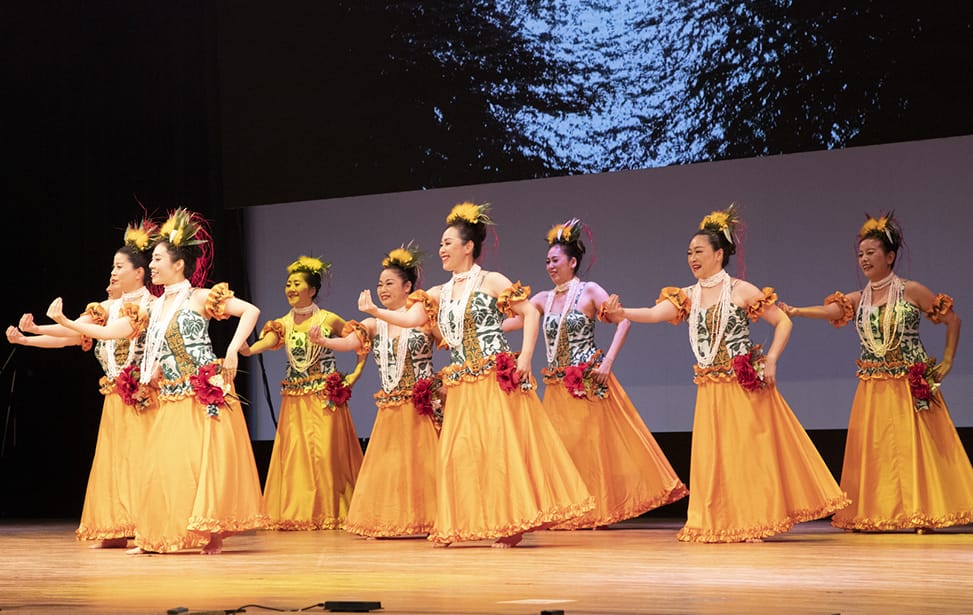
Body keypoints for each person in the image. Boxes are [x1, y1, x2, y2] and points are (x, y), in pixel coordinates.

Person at [603, 204, 848, 542]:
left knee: (747, 454)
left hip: (742, 386)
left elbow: (783, 322)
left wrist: (772, 359)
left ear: (719, 254)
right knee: (716, 457)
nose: (692, 258)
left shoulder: (740, 290)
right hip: (710, 387)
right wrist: (622, 313)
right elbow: (653, 313)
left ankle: (754, 520)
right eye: (689, 253)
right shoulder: (687, 295)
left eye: (699, 251)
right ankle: (721, 520)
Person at [357, 202, 593, 547]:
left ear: (468, 246)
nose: (442, 249)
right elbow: (410, 319)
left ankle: (510, 524)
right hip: (462, 382)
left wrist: (526, 358)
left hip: (493, 378)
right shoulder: (438, 293)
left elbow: (529, 313)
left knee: (499, 451)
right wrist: (376, 311)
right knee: (459, 452)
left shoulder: (491, 280)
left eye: (448, 243)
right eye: (440, 244)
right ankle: (458, 522)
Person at [780, 212, 973, 532]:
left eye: (871, 252)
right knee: (878, 451)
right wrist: (796, 311)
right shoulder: (859, 298)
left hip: (910, 383)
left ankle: (921, 512)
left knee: (915, 450)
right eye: (860, 254)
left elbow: (952, 319)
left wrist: (948, 361)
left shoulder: (911, 290)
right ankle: (877, 514)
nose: (864, 259)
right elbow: (831, 310)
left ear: (890, 256)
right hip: (875, 386)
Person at [505, 219, 688, 529]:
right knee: (563, 449)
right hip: (557, 386)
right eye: (547, 261)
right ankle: (568, 509)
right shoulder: (541, 299)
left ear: (573, 262)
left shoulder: (588, 290)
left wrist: (608, 362)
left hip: (587, 382)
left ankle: (596, 511)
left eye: (556, 260)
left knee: (591, 449)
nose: (550, 266)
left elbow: (623, 320)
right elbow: (514, 323)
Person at [9, 220, 159, 549]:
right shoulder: (107, 307)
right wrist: (32, 335)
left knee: (142, 461)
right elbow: (74, 333)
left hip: (143, 395)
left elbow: (87, 330)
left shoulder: (151, 306)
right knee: (115, 464)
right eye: (112, 267)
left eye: (119, 267)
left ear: (139, 273)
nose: (113, 272)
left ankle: (147, 526)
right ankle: (116, 529)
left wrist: (52, 325)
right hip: (115, 396)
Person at [126, 207, 267, 554]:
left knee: (204, 465)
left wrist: (232, 350)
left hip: (202, 394)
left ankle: (211, 531)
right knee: (164, 467)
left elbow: (250, 311)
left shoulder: (199, 297)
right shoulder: (155, 306)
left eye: (157, 259)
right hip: (172, 395)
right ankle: (157, 535)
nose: (152, 265)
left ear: (178, 264)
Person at [308, 243, 440, 538]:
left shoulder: (422, 318)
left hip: (421, 405)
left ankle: (433, 519)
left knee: (424, 464)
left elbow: (449, 338)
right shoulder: (373, 323)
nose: (382, 289)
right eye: (380, 284)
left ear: (408, 287)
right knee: (390, 466)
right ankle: (391, 520)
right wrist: (324, 342)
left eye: (389, 283)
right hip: (391, 407)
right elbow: (350, 343)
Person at [240, 256, 365, 530]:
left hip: (324, 397)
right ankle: (300, 512)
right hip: (295, 399)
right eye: (288, 284)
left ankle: (330, 511)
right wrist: (249, 349)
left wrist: (354, 375)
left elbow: (358, 341)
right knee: (296, 454)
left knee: (326, 453)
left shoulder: (328, 319)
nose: (291, 288)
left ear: (312, 289)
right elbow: (270, 340)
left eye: (297, 283)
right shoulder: (282, 323)